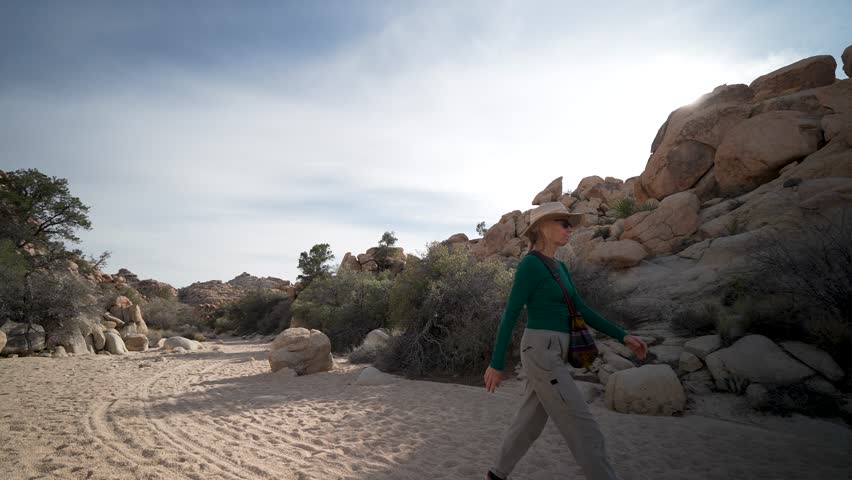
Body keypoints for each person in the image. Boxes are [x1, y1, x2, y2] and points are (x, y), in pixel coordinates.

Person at [483, 201, 648, 480]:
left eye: (570, 224)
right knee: (583, 425)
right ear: (542, 228)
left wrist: (623, 335)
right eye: (563, 223)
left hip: (556, 350)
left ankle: (496, 474)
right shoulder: (530, 265)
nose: (569, 229)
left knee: (530, 421)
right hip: (541, 350)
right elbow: (511, 314)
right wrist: (496, 363)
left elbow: (581, 310)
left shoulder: (560, 266)